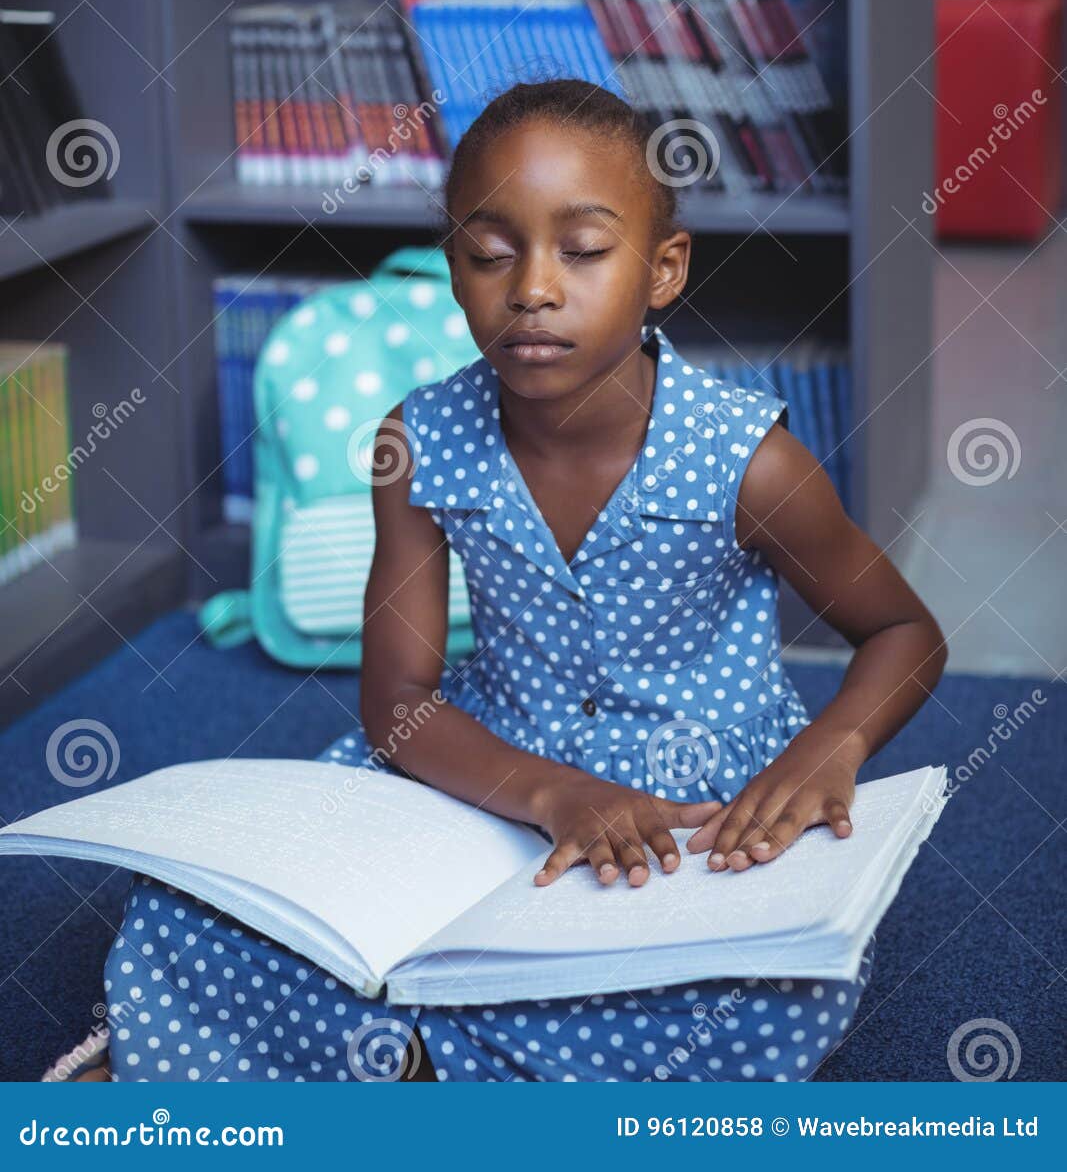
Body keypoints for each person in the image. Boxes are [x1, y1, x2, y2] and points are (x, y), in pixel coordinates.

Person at [85, 78, 945, 1083]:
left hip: (689, 808)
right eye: (490, 254)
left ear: (662, 269)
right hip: (482, 765)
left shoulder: (746, 461)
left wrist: (825, 749)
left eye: (581, 250)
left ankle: (396, 1058)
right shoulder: (417, 443)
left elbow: (902, 629)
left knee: (766, 988)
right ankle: (443, 1060)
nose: (532, 286)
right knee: (202, 906)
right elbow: (396, 704)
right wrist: (548, 791)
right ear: (454, 269)